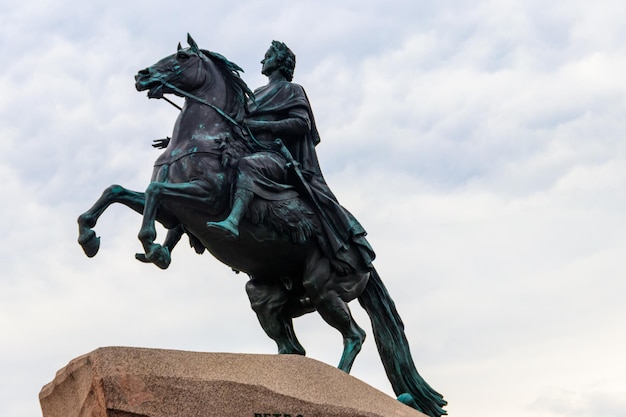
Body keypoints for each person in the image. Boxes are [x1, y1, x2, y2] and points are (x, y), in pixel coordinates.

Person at [207, 41, 375, 275]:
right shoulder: (255, 94)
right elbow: (234, 123)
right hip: (253, 148)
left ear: (281, 62)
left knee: (247, 165)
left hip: (276, 157)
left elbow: (301, 123)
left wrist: (262, 124)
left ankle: (233, 220)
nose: (262, 61)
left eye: (267, 56)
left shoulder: (292, 89)